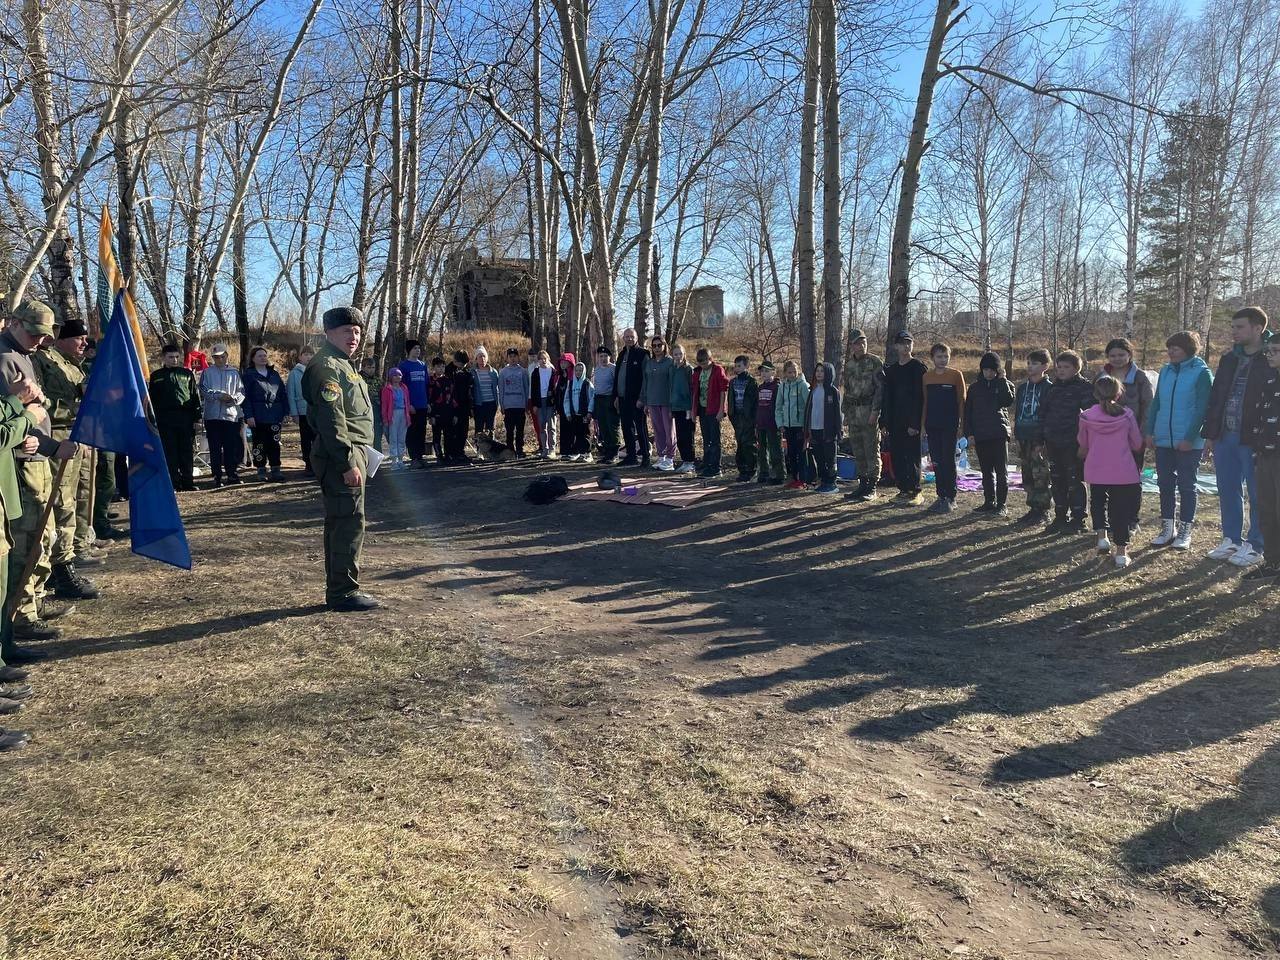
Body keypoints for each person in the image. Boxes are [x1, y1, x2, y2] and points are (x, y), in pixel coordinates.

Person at [0, 301, 82, 645]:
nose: (38, 341)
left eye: (43, 335)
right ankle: (19, 615)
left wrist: (49, 446)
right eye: (33, 333)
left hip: (37, 460)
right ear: (15, 323)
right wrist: (35, 442)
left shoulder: (24, 355)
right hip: (20, 466)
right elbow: (13, 419)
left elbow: (33, 410)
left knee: (43, 537)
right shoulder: (5, 359)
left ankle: (31, 603)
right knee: (28, 540)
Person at [302, 306, 377, 612]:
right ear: (329, 333)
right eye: (347, 331)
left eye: (358, 331)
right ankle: (343, 592)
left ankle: (341, 588)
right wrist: (347, 462)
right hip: (341, 454)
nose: (354, 337)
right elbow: (332, 420)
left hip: (353, 451)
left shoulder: (344, 365)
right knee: (348, 521)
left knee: (344, 520)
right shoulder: (327, 367)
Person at [33, 312, 100, 601]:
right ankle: (60, 572)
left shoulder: (73, 365)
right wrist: (75, 406)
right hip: (55, 439)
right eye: (78, 337)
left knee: (71, 502)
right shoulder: (43, 361)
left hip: (72, 437)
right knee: (59, 504)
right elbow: (41, 404)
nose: (84, 343)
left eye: (86, 338)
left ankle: (67, 561)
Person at [1202, 307, 1273, 568]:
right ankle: (1231, 538)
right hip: (1225, 435)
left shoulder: (1271, 357)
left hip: (1254, 438)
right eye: (1233, 327)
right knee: (1228, 489)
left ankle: (1256, 544)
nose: (1234, 332)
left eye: (1239, 327)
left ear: (1258, 328)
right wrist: (1210, 434)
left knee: (1258, 494)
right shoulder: (1229, 358)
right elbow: (1216, 397)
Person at [1145, 330, 1212, 551]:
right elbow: (1156, 404)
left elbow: (1203, 408)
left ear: (1188, 349)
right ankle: (1167, 529)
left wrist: (1190, 438)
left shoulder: (1202, 373)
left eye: (1176, 347)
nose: (1171, 351)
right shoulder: (1165, 371)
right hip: (1163, 438)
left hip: (1188, 441)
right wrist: (1150, 431)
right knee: (1164, 483)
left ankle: (1185, 531)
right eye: (1169, 348)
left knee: (1187, 485)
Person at [1079, 374, 1145, 568]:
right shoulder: (1127, 415)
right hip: (1122, 471)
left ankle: (1102, 537)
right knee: (1120, 511)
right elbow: (1137, 443)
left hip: (1096, 468)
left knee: (1098, 502)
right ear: (1119, 393)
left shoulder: (1086, 416)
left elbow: (1083, 443)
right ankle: (1121, 553)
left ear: (1095, 394)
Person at [1102, 337, 1154, 531]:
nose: (1117, 359)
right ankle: (1109, 519)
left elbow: (1148, 406)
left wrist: (1142, 435)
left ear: (1130, 355)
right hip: (1106, 440)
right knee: (1107, 480)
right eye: (1113, 355)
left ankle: (1132, 519)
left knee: (1131, 480)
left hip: (1132, 439)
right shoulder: (1102, 376)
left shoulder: (1140, 377)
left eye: (1121, 355)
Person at [1040, 350, 1094, 534]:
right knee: (1057, 481)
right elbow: (1043, 414)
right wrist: (1042, 440)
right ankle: (1060, 516)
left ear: (1076, 368)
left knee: (1075, 481)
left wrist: (1086, 444)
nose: (1061, 371)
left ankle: (1079, 519)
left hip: (1074, 443)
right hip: (1053, 441)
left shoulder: (1085, 388)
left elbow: (1091, 417)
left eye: (1066, 367)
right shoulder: (1052, 388)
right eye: (1059, 367)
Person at [1241, 340, 1280, 581]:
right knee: (1267, 509)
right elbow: (1259, 416)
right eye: (1268, 351)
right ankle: (1273, 562)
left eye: (1276, 351)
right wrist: (1256, 450)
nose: (1269, 355)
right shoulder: (1268, 380)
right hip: (1266, 454)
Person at [965, 351, 1015, 517]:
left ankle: (1002, 504)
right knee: (986, 471)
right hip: (981, 435)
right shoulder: (974, 388)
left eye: (992, 370)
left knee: (1002, 472)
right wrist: (969, 434)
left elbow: (1007, 400)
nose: (989, 373)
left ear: (998, 370)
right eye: (985, 370)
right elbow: (968, 413)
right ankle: (988, 501)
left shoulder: (1005, 384)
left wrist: (1002, 380)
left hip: (999, 434)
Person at [881, 331, 928, 505]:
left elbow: (920, 398)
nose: (906, 346)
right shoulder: (892, 370)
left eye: (909, 343)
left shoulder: (918, 367)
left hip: (912, 423)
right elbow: (888, 398)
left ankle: (915, 491)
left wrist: (915, 423)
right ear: (896, 346)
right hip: (895, 421)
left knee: (912, 457)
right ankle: (903, 489)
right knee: (898, 457)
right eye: (902, 343)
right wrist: (884, 422)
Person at [921, 343, 966, 513]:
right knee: (937, 461)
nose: (943, 360)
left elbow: (961, 401)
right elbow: (925, 402)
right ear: (932, 358)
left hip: (950, 425)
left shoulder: (956, 375)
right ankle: (940, 496)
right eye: (939, 356)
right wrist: (923, 424)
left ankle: (951, 496)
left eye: (946, 356)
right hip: (932, 425)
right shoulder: (927, 377)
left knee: (948, 460)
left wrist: (962, 424)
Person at [150, 343, 202, 491]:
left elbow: (194, 397)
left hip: (185, 417)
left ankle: (188, 482)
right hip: (165, 419)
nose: (174, 360)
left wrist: (197, 418)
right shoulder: (156, 376)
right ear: (163, 358)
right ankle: (173, 483)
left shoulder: (186, 374)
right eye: (171, 357)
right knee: (170, 452)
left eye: (177, 357)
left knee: (186, 451)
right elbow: (151, 400)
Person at [841, 330, 885, 501]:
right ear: (851, 345)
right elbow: (848, 389)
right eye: (857, 343)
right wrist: (845, 411)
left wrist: (876, 412)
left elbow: (880, 389)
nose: (861, 346)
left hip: (868, 410)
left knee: (871, 449)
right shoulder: (849, 365)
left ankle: (872, 486)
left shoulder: (874, 362)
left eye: (863, 342)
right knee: (857, 449)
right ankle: (862, 484)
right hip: (853, 412)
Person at [1013, 349, 1053, 526]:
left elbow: (1049, 415)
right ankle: (1032, 508)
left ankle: (1043, 510)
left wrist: (1043, 439)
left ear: (1045, 366)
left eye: (1035, 363)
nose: (1030, 367)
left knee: (1041, 474)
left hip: (1040, 439)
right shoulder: (1022, 388)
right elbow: (1018, 411)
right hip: (1024, 436)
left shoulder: (1049, 388)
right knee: (1027, 474)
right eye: (1028, 363)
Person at [200, 343, 245, 487]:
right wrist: (218, 395)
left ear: (227, 355)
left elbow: (241, 391)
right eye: (216, 357)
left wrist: (234, 399)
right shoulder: (207, 372)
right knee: (215, 447)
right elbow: (203, 389)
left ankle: (232, 474)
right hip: (212, 416)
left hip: (230, 415)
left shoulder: (234, 372)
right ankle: (216, 475)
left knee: (231, 446)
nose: (219, 359)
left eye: (222, 356)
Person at [243, 346, 288, 482]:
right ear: (253, 359)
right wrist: (249, 415)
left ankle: (276, 469)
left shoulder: (273, 374)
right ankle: (261, 470)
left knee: (274, 443)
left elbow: (282, 393)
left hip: (274, 414)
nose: (263, 358)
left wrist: (285, 411)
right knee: (259, 444)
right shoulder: (249, 375)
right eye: (260, 356)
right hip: (258, 415)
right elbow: (246, 397)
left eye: (264, 355)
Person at [804, 361, 842, 494]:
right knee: (819, 457)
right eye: (817, 371)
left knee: (829, 458)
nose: (819, 374)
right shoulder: (813, 390)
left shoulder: (833, 391)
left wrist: (838, 431)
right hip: (814, 429)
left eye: (822, 371)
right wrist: (807, 430)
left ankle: (832, 482)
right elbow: (808, 410)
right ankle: (823, 481)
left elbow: (838, 414)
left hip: (828, 432)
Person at [614, 328, 651, 466]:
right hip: (623, 398)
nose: (629, 339)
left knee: (641, 428)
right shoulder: (622, 354)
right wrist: (616, 396)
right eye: (627, 336)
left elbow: (646, 379)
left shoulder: (643, 354)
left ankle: (646, 457)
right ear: (623, 338)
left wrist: (642, 398)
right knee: (627, 427)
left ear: (636, 338)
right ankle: (631, 456)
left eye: (632, 336)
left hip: (637, 400)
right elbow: (617, 377)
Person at [691, 347, 729, 478]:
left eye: (705, 362)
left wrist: (721, 410)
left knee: (714, 439)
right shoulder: (697, 372)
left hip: (714, 409)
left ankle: (716, 467)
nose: (703, 365)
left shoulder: (718, 370)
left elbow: (723, 390)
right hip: (702, 409)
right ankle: (707, 463)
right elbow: (695, 391)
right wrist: (693, 411)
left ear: (710, 359)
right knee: (706, 438)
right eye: (700, 363)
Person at [642, 336, 676, 471]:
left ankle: (670, 458)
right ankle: (661, 457)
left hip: (667, 401)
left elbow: (674, 382)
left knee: (669, 431)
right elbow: (645, 383)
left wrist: (674, 402)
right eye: (654, 346)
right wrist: (645, 402)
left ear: (664, 346)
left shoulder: (670, 362)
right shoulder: (649, 363)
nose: (657, 348)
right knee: (658, 431)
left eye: (659, 345)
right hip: (652, 401)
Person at [776, 359, 811, 490]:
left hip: (800, 425)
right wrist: (780, 423)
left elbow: (808, 406)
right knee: (791, 453)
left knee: (801, 453)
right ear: (785, 373)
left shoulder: (803, 385)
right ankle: (794, 478)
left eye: (794, 372)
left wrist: (806, 426)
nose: (792, 375)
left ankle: (803, 480)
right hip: (788, 425)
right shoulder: (782, 386)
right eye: (789, 372)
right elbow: (778, 407)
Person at [727, 355, 759, 483]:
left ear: (746, 366)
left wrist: (753, 418)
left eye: (739, 366)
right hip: (737, 416)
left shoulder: (752, 382)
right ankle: (742, 469)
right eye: (735, 366)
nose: (737, 368)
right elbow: (731, 399)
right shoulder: (733, 382)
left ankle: (751, 469)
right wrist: (731, 414)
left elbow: (755, 402)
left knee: (748, 444)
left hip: (748, 417)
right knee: (740, 442)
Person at [287, 345, 315, 474]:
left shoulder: (317, 370)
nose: (309, 357)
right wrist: (294, 413)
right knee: (306, 439)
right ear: (300, 357)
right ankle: (308, 464)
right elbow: (291, 394)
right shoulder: (294, 373)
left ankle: (318, 463)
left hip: (317, 411)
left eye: (311, 354)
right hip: (303, 412)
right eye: (306, 354)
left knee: (317, 438)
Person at [399, 341, 429, 466]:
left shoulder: (423, 365)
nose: (417, 350)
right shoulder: (403, 366)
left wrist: (428, 402)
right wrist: (408, 404)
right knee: (412, 431)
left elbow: (427, 385)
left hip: (423, 404)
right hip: (411, 405)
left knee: (422, 431)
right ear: (409, 350)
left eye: (419, 348)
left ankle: (420, 456)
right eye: (415, 348)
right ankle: (413, 458)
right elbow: (401, 386)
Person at [755, 362, 784, 485]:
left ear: (773, 372)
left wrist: (780, 422)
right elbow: (758, 405)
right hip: (761, 422)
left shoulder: (777, 387)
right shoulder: (760, 387)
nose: (764, 374)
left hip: (773, 423)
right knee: (762, 449)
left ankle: (779, 474)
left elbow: (780, 406)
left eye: (767, 371)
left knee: (775, 449)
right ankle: (763, 472)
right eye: (762, 371)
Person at [669, 344, 697, 473]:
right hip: (676, 407)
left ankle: (690, 462)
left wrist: (692, 408)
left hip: (687, 407)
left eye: (680, 353)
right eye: (675, 354)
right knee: (680, 436)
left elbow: (692, 389)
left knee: (687, 435)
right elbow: (670, 388)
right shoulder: (672, 369)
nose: (678, 356)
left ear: (684, 354)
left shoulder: (688, 369)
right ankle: (685, 460)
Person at [498, 347, 530, 456]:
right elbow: (501, 389)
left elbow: (526, 388)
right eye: (510, 357)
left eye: (515, 356)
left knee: (520, 430)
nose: (513, 359)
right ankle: (510, 450)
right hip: (508, 406)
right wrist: (502, 405)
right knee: (509, 430)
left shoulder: (523, 371)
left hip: (520, 405)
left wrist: (526, 404)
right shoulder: (503, 372)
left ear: (518, 357)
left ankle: (520, 449)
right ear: (507, 358)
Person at [561, 359, 594, 461]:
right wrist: (567, 413)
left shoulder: (587, 383)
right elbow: (566, 399)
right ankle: (577, 452)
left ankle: (587, 454)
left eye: (580, 370)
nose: (578, 372)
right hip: (574, 414)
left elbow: (592, 398)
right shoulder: (570, 384)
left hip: (584, 414)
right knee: (575, 433)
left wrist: (589, 412)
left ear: (583, 371)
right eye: (577, 370)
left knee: (585, 434)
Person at [380, 367, 413, 468]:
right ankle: (394, 461)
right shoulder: (387, 389)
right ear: (391, 377)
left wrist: (408, 415)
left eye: (399, 375)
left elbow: (407, 402)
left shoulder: (404, 388)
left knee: (402, 438)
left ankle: (401, 460)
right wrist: (385, 418)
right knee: (393, 438)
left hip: (404, 414)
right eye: (395, 375)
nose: (397, 377)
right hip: (393, 414)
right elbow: (384, 405)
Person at [529, 350, 559, 458]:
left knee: (552, 427)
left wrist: (555, 403)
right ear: (538, 360)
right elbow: (533, 390)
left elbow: (556, 389)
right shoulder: (535, 372)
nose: (543, 360)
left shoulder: (553, 371)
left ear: (549, 359)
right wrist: (534, 405)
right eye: (541, 358)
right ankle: (544, 449)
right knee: (542, 427)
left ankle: (552, 449)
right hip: (539, 402)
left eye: (545, 358)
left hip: (550, 401)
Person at [593, 345, 620, 463]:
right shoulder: (596, 369)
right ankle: (607, 452)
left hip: (610, 399)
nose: (603, 358)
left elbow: (617, 385)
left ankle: (615, 452)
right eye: (601, 356)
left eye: (605, 356)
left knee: (612, 426)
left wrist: (616, 399)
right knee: (603, 426)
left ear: (610, 357)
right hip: (599, 399)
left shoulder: (613, 368)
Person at [447, 350, 473, 463]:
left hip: (464, 407)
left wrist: (471, 407)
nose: (463, 366)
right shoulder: (448, 372)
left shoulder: (466, 373)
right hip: (452, 407)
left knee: (463, 431)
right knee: (453, 431)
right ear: (456, 361)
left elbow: (469, 391)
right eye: (461, 364)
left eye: (465, 365)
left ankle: (460, 452)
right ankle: (451, 454)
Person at [428, 356, 454, 463]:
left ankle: (448, 455)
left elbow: (453, 398)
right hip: (436, 413)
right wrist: (430, 416)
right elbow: (429, 399)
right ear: (434, 367)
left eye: (443, 366)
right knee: (437, 436)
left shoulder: (448, 380)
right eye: (438, 367)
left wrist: (454, 414)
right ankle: (439, 455)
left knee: (448, 436)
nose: (441, 369)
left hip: (447, 413)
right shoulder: (431, 381)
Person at [470, 346, 499, 439]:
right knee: (479, 429)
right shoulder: (472, 372)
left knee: (490, 429)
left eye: (484, 356)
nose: (482, 359)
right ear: (476, 359)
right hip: (479, 405)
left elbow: (497, 388)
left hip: (491, 403)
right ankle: (479, 450)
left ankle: (491, 451)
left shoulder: (493, 372)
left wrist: (497, 403)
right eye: (480, 356)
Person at [359, 356, 384, 455]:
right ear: (363, 367)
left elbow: (383, 396)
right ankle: (364, 458)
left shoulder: (378, 381)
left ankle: (377, 459)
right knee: (364, 437)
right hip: (363, 412)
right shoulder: (358, 378)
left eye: (373, 367)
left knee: (377, 437)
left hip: (376, 412)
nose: (371, 370)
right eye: (369, 367)